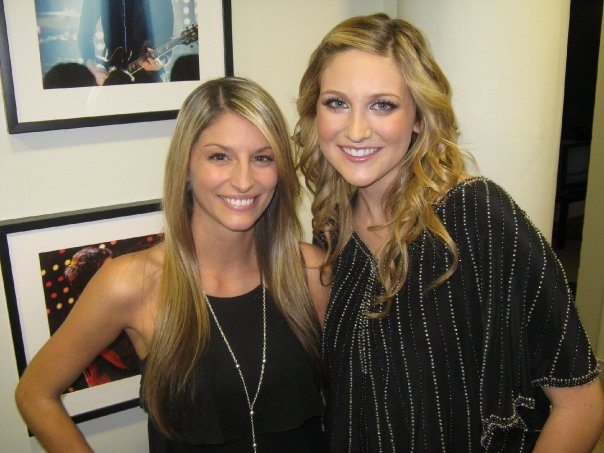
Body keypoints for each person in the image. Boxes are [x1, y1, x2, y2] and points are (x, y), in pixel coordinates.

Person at [294, 13, 604, 452]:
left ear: (419, 118)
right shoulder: (332, 227)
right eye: (337, 103)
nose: (356, 130)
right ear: (315, 114)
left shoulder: (478, 216)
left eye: (383, 105)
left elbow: (581, 403)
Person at [15, 76, 329, 452]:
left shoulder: (310, 272)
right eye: (220, 156)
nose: (244, 180)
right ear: (186, 167)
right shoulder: (132, 282)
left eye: (262, 158)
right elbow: (34, 393)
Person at [77, 0, 174, 85]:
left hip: (149, 76)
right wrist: (94, 67)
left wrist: (160, 61)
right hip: (112, 75)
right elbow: (85, 34)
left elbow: (166, 34)